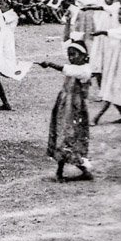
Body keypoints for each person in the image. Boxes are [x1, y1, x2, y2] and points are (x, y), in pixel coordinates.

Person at [38, 41, 93, 182]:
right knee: (62, 136)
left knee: (67, 137)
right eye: (69, 55)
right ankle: (64, 171)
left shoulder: (85, 70)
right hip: (64, 107)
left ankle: (67, 171)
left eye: (74, 54)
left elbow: (68, 70)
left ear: (83, 55)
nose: (71, 58)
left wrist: (50, 64)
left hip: (74, 110)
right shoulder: (76, 67)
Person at [91, 4, 121, 125]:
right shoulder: (120, 27)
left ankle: (96, 118)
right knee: (114, 90)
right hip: (116, 64)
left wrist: (102, 32)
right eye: (119, 14)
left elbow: (113, 32)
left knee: (111, 90)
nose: (120, 17)